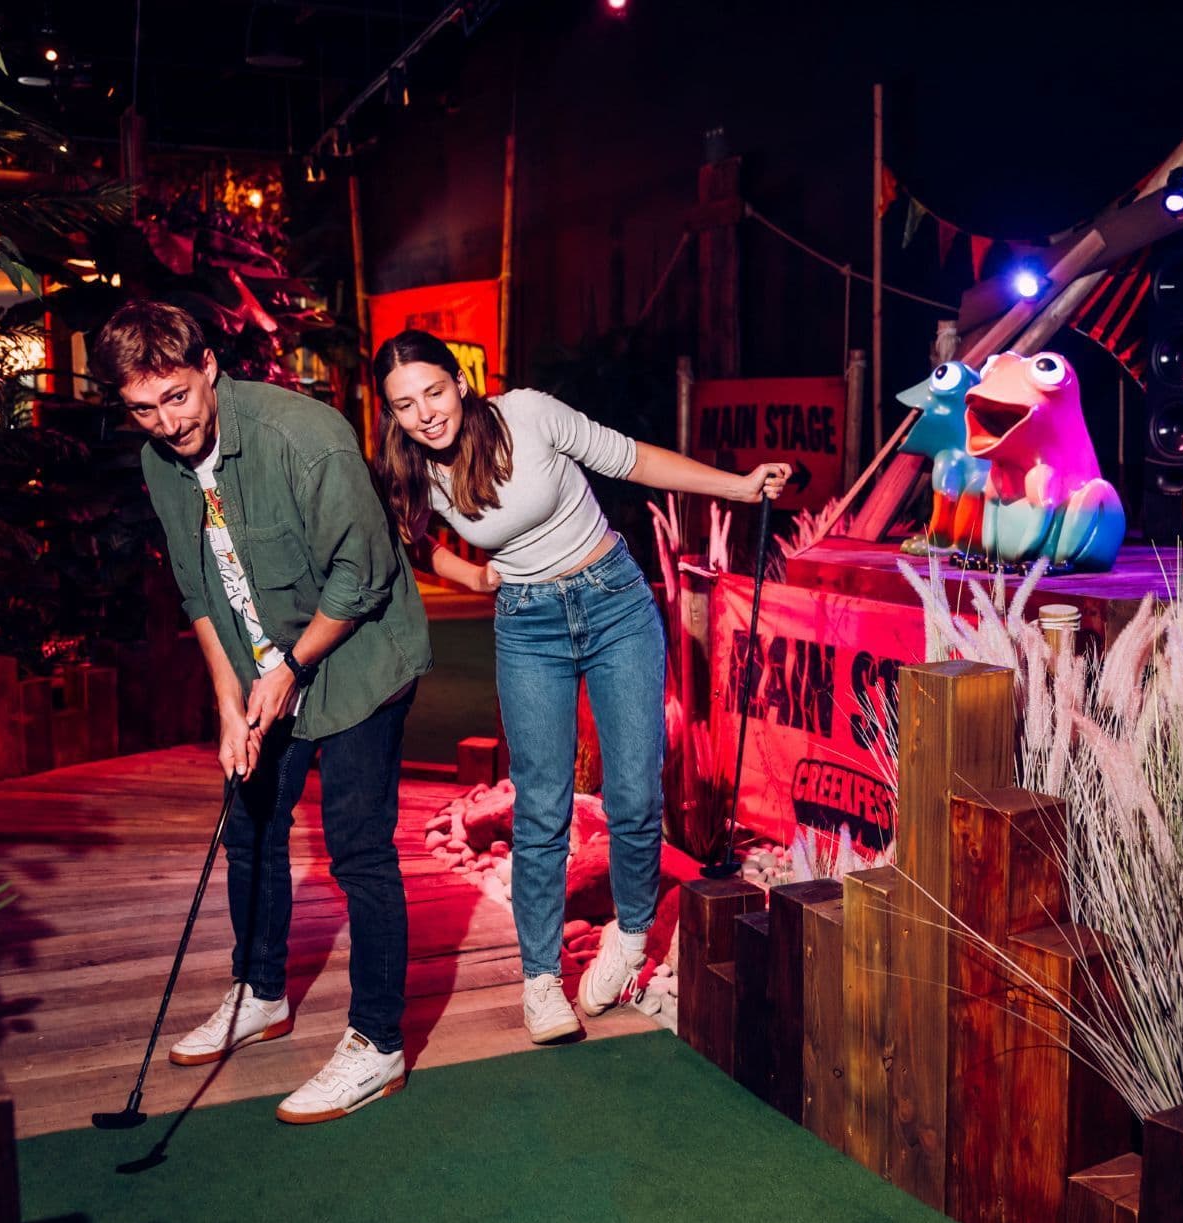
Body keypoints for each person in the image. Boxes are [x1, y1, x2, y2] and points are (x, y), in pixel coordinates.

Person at [371, 331, 787, 1043]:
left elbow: (634, 460)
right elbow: (410, 538)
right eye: (404, 406)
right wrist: (471, 575)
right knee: (542, 806)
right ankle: (539, 980)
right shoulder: (409, 467)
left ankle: (627, 938)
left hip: (614, 603)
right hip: (527, 624)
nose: (425, 414)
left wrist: (740, 485)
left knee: (634, 791)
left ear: (460, 383)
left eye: (434, 392)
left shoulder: (527, 415)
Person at [92, 301, 432, 1124]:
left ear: (208, 367)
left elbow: (365, 572)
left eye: (176, 396)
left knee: (358, 852)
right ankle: (261, 994)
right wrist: (227, 703)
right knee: (250, 830)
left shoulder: (303, 435)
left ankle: (378, 1042)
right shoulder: (159, 461)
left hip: (357, 660)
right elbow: (198, 591)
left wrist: (286, 671)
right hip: (262, 663)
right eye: (142, 407)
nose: (165, 422)